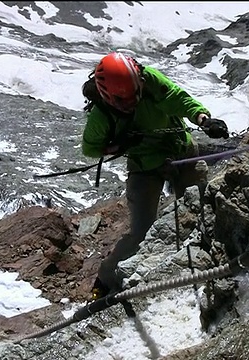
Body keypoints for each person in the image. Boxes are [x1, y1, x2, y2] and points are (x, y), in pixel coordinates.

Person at [80, 52, 230, 298]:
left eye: (136, 95)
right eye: (125, 101)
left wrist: (203, 119)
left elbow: (177, 98)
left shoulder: (149, 80)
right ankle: (106, 278)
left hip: (180, 149)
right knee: (141, 231)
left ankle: (212, 253)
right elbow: (90, 148)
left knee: (203, 207)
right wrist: (120, 145)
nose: (133, 102)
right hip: (144, 165)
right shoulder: (102, 114)